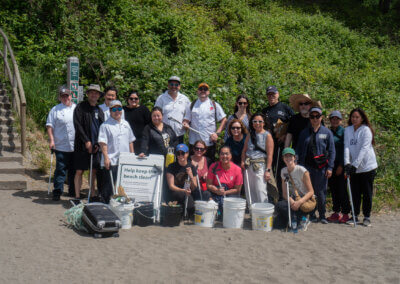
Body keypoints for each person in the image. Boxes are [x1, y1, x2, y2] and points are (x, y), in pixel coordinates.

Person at [296, 107, 335, 224]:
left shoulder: (327, 132)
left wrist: (330, 167)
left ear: (321, 117)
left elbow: (332, 151)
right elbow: (298, 149)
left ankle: (322, 214)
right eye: (312, 116)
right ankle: (311, 214)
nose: (314, 119)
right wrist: (297, 163)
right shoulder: (304, 132)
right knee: (308, 192)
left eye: (317, 116)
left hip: (321, 168)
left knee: (321, 192)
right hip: (306, 167)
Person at [344, 108, 377, 227]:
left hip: (367, 167)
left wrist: (355, 165)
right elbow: (346, 146)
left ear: (362, 118)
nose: (354, 119)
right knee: (355, 192)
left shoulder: (366, 130)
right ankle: (355, 215)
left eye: (357, 117)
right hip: (353, 166)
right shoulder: (347, 130)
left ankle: (367, 216)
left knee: (367, 192)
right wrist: (347, 163)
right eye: (353, 117)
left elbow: (364, 149)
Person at [98, 100, 135, 203]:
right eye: (114, 109)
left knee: (122, 187)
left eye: (119, 109)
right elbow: (103, 143)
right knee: (109, 186)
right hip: (111, 161)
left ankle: (120, 206)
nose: (117, 111)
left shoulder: (126, 124)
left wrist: (132, 157)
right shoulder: (105, 126)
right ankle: (105, 205)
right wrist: (106, 157)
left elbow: (130, 141)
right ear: (110, 111)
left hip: (124, 161)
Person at [72, 84, 104, 202]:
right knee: (79, 170)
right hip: (81, 145)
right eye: (91, 92)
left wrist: (97, 144)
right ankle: (77, 196)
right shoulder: (80, 107)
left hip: (95, 146)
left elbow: (102, 128)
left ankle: (92, 194)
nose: (94, 94)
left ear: (99, 95)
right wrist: (86, 141)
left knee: (93, 171)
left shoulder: (99, 110)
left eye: (96, 93)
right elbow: (77, 125)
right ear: (88, 94)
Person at [261, 86, 294, 194]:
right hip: (267, 146)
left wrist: (286, 135)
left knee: (281, 171)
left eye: (273, 94)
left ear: (278, 94)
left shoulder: (285, 108)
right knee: (268, 170)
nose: (271, 96)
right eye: (269, 94)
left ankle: (282, 195)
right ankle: (271, 195)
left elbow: (294, 123)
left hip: (281, 146)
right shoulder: (264, 111)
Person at [46, 85, 76, 201]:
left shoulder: (76, 108)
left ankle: (73, 191)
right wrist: (52, 140)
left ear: (71, 96)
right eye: (63, 96)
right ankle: (57, 191)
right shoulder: (55, 109)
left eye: (67, 96)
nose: (65, 98)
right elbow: (50, 125)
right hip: (60, 145)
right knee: (60, 170)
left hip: (74, 146)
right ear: (60, 97)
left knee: (73, 170)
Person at [183, 83, 227, 160]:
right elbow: (186, 120)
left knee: (209, 166)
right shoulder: (191, 105)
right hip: (194, 142)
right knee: (193, 165)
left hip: (209, 142)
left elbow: (224, 119)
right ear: (197, 91)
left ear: (208, 92)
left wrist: (217, 133)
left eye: (205, 89)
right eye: (201, 89)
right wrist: (185, 124)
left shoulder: (214, 104)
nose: (203, 91)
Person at [275, 148, 314, 231]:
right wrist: (292, 201)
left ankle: (299, 218)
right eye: (286, 156)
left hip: (304, 200)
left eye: (290, 156)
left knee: (289, 209)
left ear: (294, 157)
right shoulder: (283, 171)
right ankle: (297, 217)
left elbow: (311, 192)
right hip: (293, 199)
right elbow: (285, 193)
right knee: (279, 208)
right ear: (283, 158)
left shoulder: (302, 170)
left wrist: (299, 202)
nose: (288, 158)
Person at [241, 113, 277, 205]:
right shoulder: (250, 135)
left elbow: (270, 155)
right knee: (250, 190)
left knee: (261, 190)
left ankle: (263, 213)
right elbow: (244, 150)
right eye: (255, 121)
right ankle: (253, 213)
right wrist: (242, 161)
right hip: (248, 165)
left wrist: (268, 170)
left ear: (264, 123)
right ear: (252, 123)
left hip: (260, 165)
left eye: (260, 121)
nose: (257, 123)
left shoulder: (267, 135)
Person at [327, 111, 351, 223]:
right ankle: (336, 212)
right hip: (330, 164)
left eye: (337, 119)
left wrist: (341, 165)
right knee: (333, 189)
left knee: (342, 189)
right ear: (330, 120)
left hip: (341, 164)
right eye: (333, 118)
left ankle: (346, 212)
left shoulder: (345, 132)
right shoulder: (328, 132)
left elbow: (346, 149)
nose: (335, 121)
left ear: (341, 120)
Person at [166, 144, 201, 218]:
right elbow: (171, 186)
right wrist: (183, 190)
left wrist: (191, 176)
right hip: (176, 191)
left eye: (183, 153)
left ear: (187, 154)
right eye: (178, 153)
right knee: (182, 195)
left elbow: (194, 187)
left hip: (188, 191)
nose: (180, 155)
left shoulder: (191, 167)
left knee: (193, 202)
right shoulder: (171, 166)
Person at [155, 76, 191, 143]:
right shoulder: (161, 98)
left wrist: (186, 121)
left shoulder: (185, 99)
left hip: (179, 134)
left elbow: (189, 113)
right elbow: (156, 114)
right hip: (164, 133)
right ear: (168, 85)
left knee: (178, 153)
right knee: (166, 153)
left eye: (176, 85)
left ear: (179, 86)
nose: (173, 86)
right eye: (171, 84)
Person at [207, 146, 243, 213]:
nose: (224, 156)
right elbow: (208, 185)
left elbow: (238, 189)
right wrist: (217, 190)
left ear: (231, 155)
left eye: (227, 154)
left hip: (230, 193)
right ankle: (215, 209)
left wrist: (225, 192)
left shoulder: (237, 169)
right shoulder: (213, 166)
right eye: (222, 154)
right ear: (219, 155)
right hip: (216, 191)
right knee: (205, 194)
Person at [123, 90, 151, 155]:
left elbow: (149, 125)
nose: (133, 100)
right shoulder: (123, 110)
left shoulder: (144, 109)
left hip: (141, 141)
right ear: (127, 99)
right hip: (127, 141)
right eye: (131, 98)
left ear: (138, 100)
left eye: (136, 98)